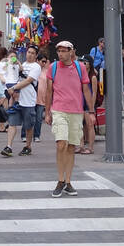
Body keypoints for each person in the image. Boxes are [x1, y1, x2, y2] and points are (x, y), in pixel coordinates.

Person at [39, 40, 94, 198]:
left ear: (71, 51)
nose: (61, 54)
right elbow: (49, 91)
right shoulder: (53, 67)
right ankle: (60, 179)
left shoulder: (80, 67)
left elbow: (86, 90)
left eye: (64, 51)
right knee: (61, 144)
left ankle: (68, 181)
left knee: (71, 147)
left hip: (76, 111)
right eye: (59, 51)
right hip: (59, 110)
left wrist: (91, 112)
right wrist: (47, 112)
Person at [1, 44, 41, 156]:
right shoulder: (22, 64)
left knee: (28, 126)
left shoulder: (36, 67)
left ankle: (28, 146)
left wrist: (14, 88)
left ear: (36, 55)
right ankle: (8, 146)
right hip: (18, 100)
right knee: (12, 122)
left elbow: (28, 81)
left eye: (33, 53)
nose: (30, 54)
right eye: (29, 52)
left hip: (29, 101)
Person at [80, 55, 98, 153]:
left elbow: (94, 93)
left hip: (88, 104)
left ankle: (90, 147)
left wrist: (92, 107)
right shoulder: (81, 75)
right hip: (80, 102)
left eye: (85, 62)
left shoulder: (93, 77)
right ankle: (81, 145)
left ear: (89, 64)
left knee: (90, 125)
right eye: (82, 62)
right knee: (80, 125)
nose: (83, 64)